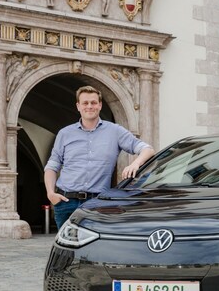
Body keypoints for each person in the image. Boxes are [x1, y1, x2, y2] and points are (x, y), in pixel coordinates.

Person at [44, 85, 155, 229]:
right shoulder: (65, 133)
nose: (89, 106)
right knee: (66, 248)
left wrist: (135, 164)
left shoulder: (115, 131)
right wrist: (50, 194)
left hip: (97, 203)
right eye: (85, 103)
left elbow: (148, 149)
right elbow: (52, 166)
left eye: (93, 102)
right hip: (66, 202)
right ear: (78, 106)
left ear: (100, 105)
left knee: (94, 248)